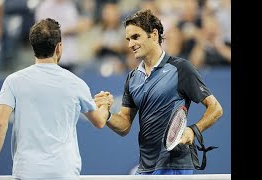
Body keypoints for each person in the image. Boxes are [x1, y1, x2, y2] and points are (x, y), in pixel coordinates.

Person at [94, 9, 223, 175]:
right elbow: (125, 124)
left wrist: (193, 130)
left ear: (154, 35)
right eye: (128, 39)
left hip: (175, 167)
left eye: (135, 37)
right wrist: (107, 114)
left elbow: (216, 108)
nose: (130, 44)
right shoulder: (132, 77)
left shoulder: (181, 68)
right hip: (145, 167)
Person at [0, 18, 113, 180]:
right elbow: (100, 121)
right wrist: (105, 104)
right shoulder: (76, 83)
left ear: (33, 48)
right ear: (59, 47)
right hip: (64, 172)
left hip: (28, 172)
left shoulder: (14, 81)